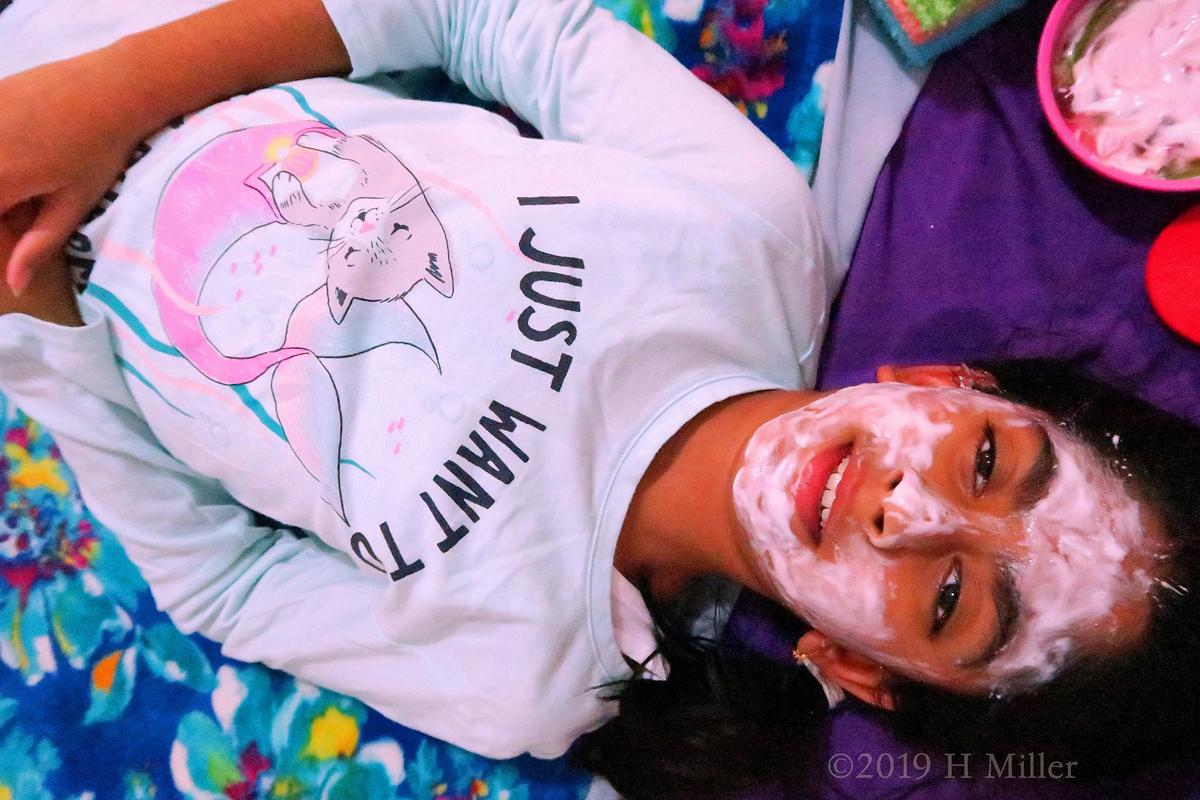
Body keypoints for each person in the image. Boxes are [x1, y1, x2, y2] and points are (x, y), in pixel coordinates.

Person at [0, 0, 1198, 797]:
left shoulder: (536, 669)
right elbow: (476, 14)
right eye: (985, 462)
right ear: (943, 381)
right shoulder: (751, 236)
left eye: (947, 598)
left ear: (863, 672)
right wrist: (103, 98)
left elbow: (225, 580)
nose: (906, 512)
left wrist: (39, 325)